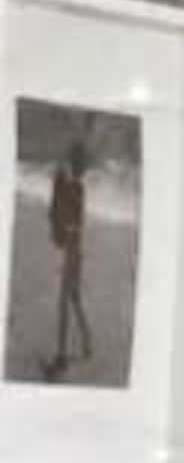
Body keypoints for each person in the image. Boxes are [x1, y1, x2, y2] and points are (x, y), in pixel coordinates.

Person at [43, 139, 90, 381]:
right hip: (74, 250)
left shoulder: (73, 187)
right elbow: (62, 215)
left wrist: (58, 184)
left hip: (73, 251)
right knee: (73, 299)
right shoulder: (74, 185)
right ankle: (87, 344)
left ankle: (62, 355)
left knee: (66, 302)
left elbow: (66, 220)